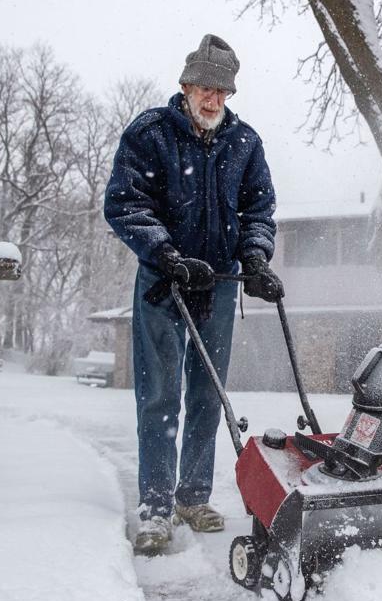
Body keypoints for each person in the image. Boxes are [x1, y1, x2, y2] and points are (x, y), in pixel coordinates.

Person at [104, 34, 285, 555]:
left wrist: (254, 258)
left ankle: (193, 496)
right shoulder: (150, 134)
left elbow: (259, 210)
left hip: (220, 287)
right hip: (164, 283)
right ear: (185, 86)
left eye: (222, 91)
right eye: (205, 87)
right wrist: (168, 255)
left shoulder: (244, 143)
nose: (213, 99)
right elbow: (125, 203)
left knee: (208, 396)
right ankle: (156, 508)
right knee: (160, 395)